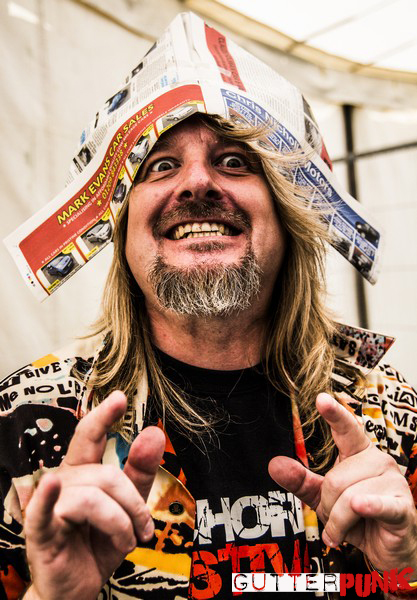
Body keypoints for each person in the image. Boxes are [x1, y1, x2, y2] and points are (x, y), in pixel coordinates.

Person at [1, 113, 416, 600]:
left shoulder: (386, 409)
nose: (197, 182)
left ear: (289, 216)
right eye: (160, 165)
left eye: (234, 161)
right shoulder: (26, 418)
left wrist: (406, 569)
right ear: (122, 228)